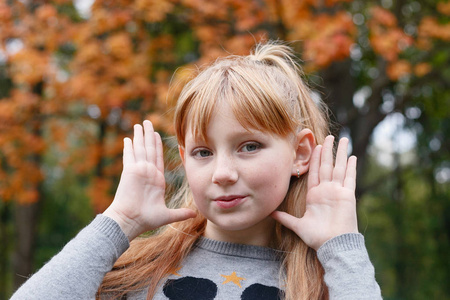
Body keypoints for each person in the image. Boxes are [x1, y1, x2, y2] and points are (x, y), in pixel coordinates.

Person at [11, 42, 382, 300]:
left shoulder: (331, 281)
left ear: (300, 153)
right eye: (203, 152)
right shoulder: (139, 270)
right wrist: (119, 222)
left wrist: (341, 247)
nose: (222, 172)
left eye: (249, 146)